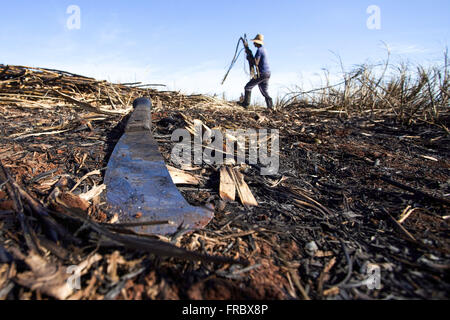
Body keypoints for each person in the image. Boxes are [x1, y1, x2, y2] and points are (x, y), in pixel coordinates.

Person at [240, 34, 274, 109]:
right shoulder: (263, 50)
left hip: (262, 73)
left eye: (254, 42)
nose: (253, 43)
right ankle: (270, 107)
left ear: (257, 43)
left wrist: (249, 57)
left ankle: (246, 104)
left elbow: (256, 63)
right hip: (267, 73)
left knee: (248, 87)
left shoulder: (259, 50)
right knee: (264, 90)